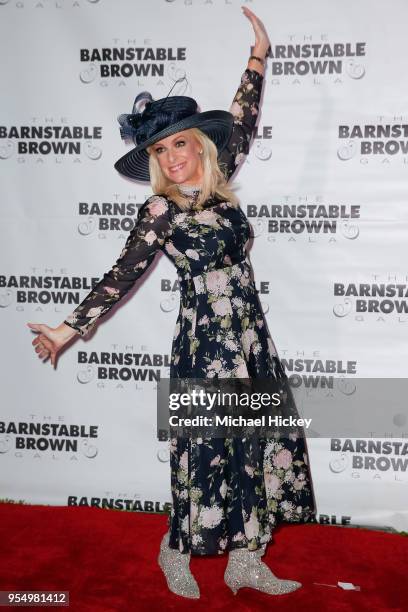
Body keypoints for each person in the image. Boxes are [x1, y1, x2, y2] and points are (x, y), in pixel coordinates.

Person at [27, 6, 316, 600]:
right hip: (206, 344)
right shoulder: (161, 211)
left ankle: (245, 561)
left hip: (250, 338)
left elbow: (244, 114)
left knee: (257, 446)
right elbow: (120, 275)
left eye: (179, 144)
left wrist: (258, 55)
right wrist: (66, 329)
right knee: (207, 451)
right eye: (159, 151)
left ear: (201, 147)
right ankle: (174, 549)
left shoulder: (222, 177)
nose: (171, 157)